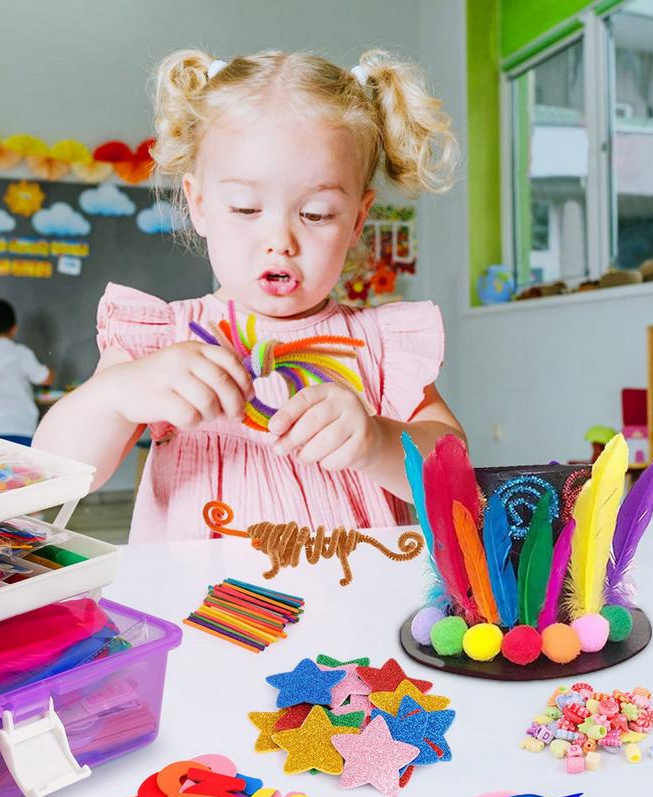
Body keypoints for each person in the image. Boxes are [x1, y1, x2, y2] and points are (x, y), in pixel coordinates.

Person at [34, 49, 465, 540]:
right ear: (198, 205)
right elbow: (55, 470)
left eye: (317, 213)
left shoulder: (380, 344)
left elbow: (455, 473)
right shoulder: (161, 341)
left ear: (357, 221)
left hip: (358, 604)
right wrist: (116, 395)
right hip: (195, 607)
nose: (280, 239)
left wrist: (380, 442)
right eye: (245, 208)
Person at [0, 299, 53, 446]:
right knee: (23, 468)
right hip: (22, 425)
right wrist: (50, 372)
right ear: (14, 329)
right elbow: (45, 378)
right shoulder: (22, 354)